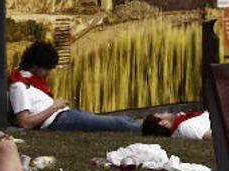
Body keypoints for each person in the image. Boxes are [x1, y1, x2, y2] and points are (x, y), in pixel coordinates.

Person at [8, 41, 141, 132]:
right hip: (59, 120)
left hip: (66, 114)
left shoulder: (29, 80)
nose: (49, 73)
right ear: (35, 66)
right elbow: (25, 123)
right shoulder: (19, 86)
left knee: (122, 119)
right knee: (117, 124)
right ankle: (155, 129)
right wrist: (55, 107)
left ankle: (154, 124)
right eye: (47, 68)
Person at [142, 111, 212, 140]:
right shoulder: (185, 128)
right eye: (162, 113)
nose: (166, 111)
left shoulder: (181, 120)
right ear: (163, 122)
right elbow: (210, 137)